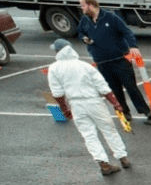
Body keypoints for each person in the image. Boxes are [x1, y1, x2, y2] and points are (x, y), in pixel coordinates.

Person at [47, 39, 130, 176]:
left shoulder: (54, 68)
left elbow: (57, 92)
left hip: (76, 104)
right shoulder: (84, 66)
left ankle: (103, 164)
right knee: (109, 130)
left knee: (89, 135)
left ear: (57, 52)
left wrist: (65, 109)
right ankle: (123, 157)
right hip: (94, 101)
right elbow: (102, 86)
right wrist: (115, 103)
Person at [76, 0, 151, 123]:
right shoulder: (85, 20)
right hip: (102, 62)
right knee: (114, 89)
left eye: (83, 5)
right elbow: (80, 32)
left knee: (131, 86)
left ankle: (145, 111)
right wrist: (84, 38)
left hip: (120, 59)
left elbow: (126, 32)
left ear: (90, 5)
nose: (81, 8)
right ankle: (125, 112)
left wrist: (133, 46)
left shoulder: (110, 17)